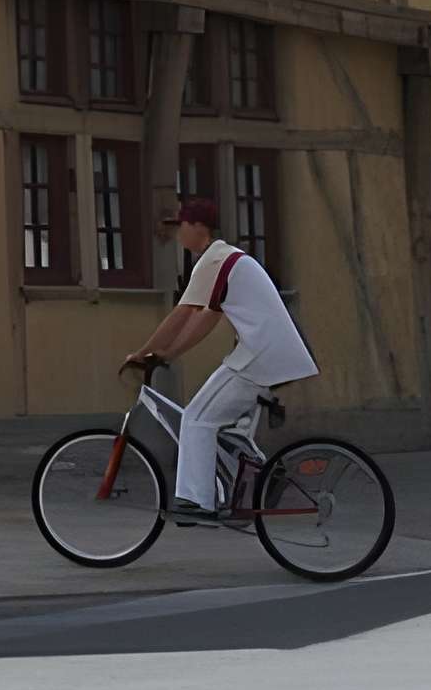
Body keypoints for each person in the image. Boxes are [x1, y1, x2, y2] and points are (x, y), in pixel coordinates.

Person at [121, 197, 318, 524]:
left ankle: (199, 501)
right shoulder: (225, 260)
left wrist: (146, 353)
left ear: (198, 226)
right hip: (266, 353)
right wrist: (168, 353)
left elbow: (183, 313)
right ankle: (270, 474)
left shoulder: (215, 259)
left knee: (197, 418)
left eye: (181, 226)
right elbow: (205, 317)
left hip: (258, 355)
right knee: (219, 422)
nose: (178, 234)